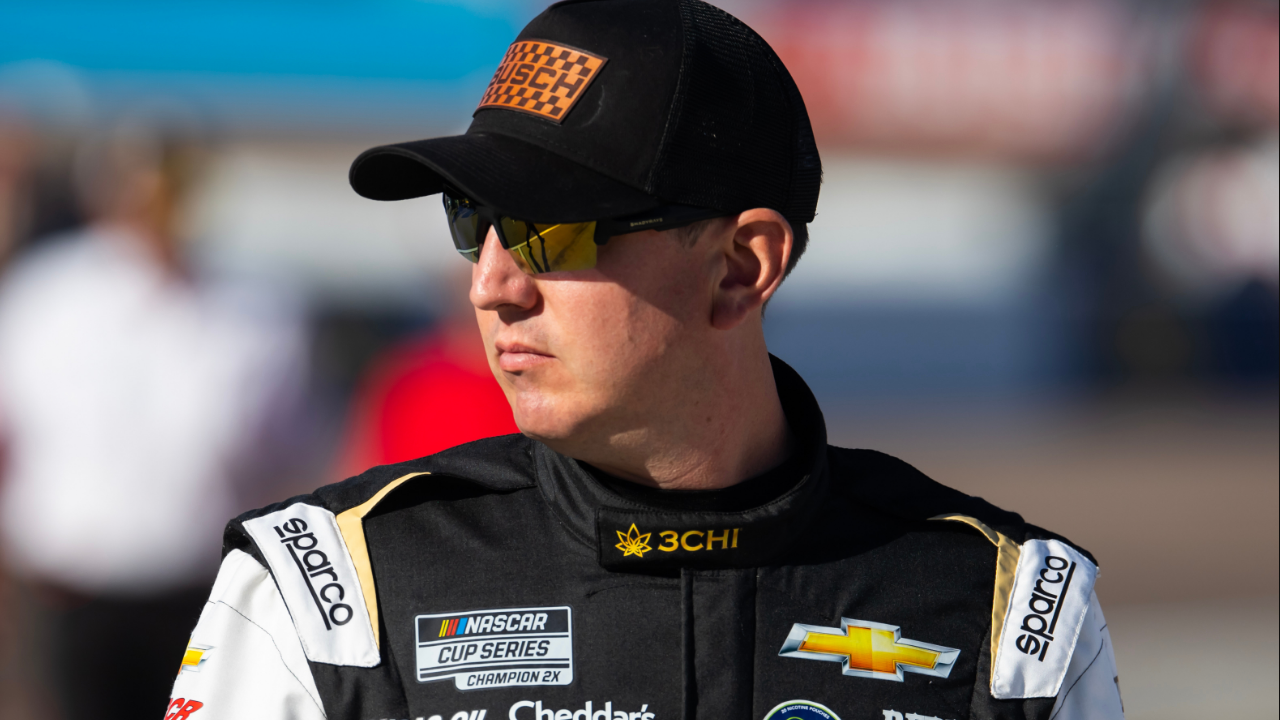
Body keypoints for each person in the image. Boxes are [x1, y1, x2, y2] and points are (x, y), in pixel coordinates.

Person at [167, 1, 1124, 718]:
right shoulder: (323, 590)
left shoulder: (1013, 613)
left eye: (551, 231)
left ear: (740, 269)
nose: (491, 284)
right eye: (475, 222)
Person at [0, 128, 309, 720]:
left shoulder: (256, 310)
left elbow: (288, 461)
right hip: (68, 597)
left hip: (200, 594)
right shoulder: (45, 297)